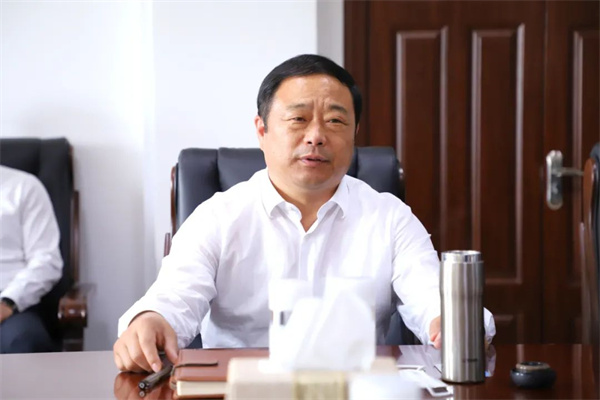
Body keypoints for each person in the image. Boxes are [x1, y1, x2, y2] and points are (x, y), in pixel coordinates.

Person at [114, 54, 495, 373]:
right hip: (243, 392)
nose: (316, 136)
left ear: (355, 133)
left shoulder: (390, 217)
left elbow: (434, 299)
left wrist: (453, 324)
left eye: (335, 121)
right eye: (298, 119)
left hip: (354, 390)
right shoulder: (217, 217)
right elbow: (173, 298)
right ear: (261, 130)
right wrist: (150, 322)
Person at [0, 165, 63, 353]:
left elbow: (46, 260)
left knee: (24, 341)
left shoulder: (24, 186)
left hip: (12, 303)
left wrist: (7, 302)